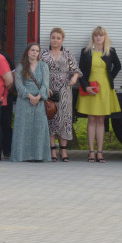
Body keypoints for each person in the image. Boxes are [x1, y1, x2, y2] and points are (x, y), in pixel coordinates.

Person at [77, 26, 121, 163]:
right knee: (91, 120)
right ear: (93, 37)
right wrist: (86, 87)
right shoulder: (86, 52)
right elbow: (81, 72)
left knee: (101, 120)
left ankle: (100, 152)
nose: (98, 38)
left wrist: (110, 78)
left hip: (105, 89)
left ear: (105, 37)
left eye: (101, 35)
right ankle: (91, 152)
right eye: (96, 35)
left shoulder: (110, 51)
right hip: (91, 89)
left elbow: (118, 66)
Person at [41, 27, 80, 161]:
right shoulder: (44, 54)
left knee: (64, 119)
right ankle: (52, 151)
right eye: (53, 38)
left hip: (64, 90)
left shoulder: (67, 53)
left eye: (58, 38)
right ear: (50, 39)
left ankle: (63, 151)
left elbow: (75, 69)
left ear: (62, 40)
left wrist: (74, 78)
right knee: (50, 116)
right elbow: (38, 70)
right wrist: (44, 87)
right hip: (49, 89)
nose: (55, 40)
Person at [11, 42, 52, 162]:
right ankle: (22, 155)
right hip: (24, 102)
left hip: (39, 101)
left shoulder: (43, 66)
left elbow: (45, 84)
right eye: (32, 50)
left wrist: (39, 97)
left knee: (39, 127)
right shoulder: (20, 67)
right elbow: (19, 85)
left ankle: (39, 156)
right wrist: (29, 96)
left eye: (37, 51)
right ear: (27, 52)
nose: (35, 53)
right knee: (23, 128)